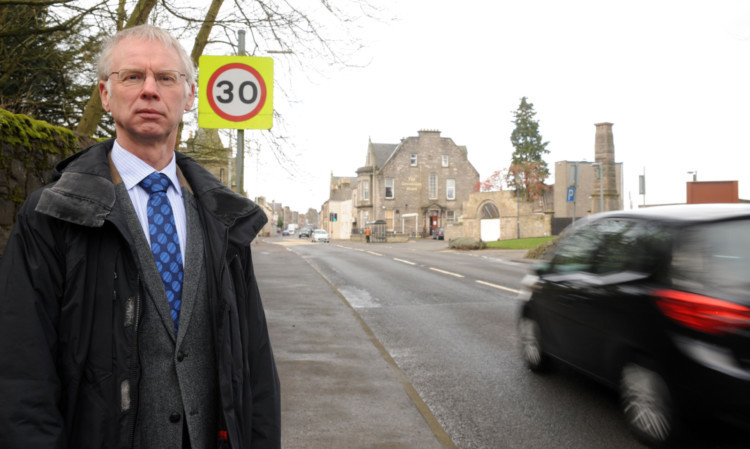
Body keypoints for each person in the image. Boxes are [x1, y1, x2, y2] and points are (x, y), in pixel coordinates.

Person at [0, 25, 280, 449]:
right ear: (105, 94)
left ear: (188, 97)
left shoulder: (224, 219)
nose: (150, 90)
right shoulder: (52, 215)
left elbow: (253, 365)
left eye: (166, 78)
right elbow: (22, 370)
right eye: (132, 76)